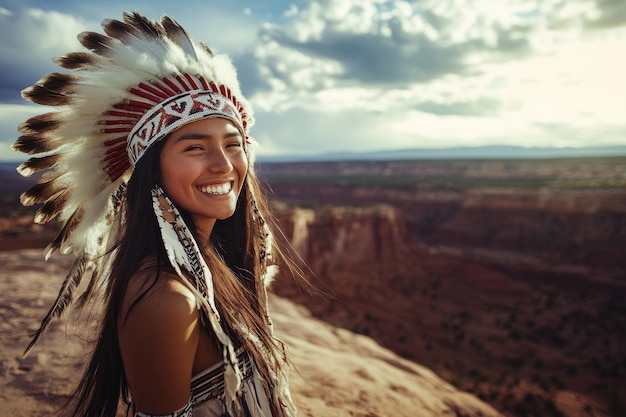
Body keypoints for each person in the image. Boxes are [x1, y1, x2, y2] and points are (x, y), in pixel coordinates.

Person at [13, 11, 301, 417]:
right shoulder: (167, 300)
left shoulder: (211, 265)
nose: (223, 164)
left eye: (233, 144)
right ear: (153, 170)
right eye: (194, 147)